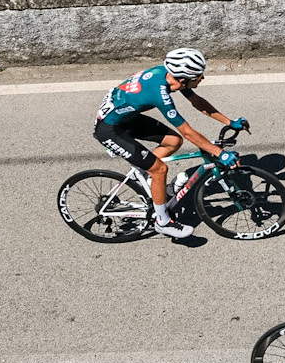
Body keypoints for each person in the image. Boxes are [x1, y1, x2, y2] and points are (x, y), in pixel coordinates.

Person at [93, 47, 247, 239]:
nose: (202, 78)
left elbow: (197, 102)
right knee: (160, 169)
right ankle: (163, 221)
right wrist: (220, 153)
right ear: (183, 79)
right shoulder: (159, 92)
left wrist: (229, 121)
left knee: (173, 141)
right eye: (199, 76)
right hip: (110, 130)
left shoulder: (168, 75)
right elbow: (188, 131)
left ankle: (146, 176)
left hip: (125, 119)